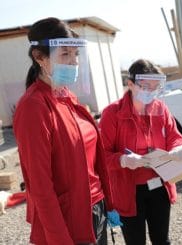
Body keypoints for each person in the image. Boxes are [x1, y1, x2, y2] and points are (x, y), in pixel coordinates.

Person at [13, 17, 113, 245]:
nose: (74, 63)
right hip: (69, 220)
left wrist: (109, 204)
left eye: (75, 55)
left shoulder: (68, 97)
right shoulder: (34, 107)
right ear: (40, 58)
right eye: (65, 55)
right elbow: (39, 185)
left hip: (95, 209)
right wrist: (58, 238)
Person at [99, 59, 182, 245]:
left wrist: (178, 148)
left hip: (159, 183)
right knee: (135, 241)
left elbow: (174, 136)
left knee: (162, 240)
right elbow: (101, 156)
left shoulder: (160, 108)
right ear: (130, 84)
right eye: (146, 86)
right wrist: (123, 160)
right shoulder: (112, 113)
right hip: (129, 190)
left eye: (156, 87)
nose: (152, 92)